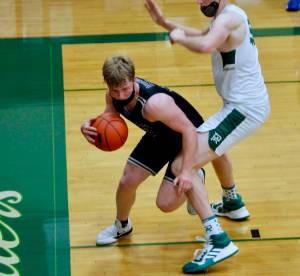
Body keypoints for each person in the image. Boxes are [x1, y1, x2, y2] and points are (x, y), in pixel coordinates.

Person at [81, 55, 239, 273]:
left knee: (165, 204)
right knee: (127, 180)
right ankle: (122, 226)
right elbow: (109, 116)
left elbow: (189, 131)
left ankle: (196, 176)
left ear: (133, 79)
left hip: (187, 139)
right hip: (159, 135)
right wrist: (91, 126)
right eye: (115, 90)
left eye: (125, 89)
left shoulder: (155, 104)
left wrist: (186, 171)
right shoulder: (113, 94)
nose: (120, 95)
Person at [145, 0, 270, 272]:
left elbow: (205, 46)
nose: (200, 2)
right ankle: (232, 201)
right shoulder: (225, 16)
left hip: (243, 110)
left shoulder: (228, 19)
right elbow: (201, 35)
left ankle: (218, 239)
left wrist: (177, 38)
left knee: (183, 165)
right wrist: (165, 23)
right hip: (240, 106)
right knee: (212, 145)